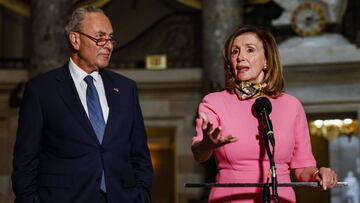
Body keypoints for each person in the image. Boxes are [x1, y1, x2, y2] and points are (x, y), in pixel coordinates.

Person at [12, 6, 153, 203]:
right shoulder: (41, 90)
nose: (108, 45)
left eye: (111, 38)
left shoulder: (126, 89)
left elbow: (140, 156)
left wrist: (142, 195)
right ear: (75, 39)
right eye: (100, 37)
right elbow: (25, 162)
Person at [191, 25, 338, 203]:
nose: (240, 57)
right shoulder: (214, 102)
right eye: (234, 52)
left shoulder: (292, 106)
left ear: (267, 60)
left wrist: (318, 174)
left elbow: (303, 168)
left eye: (250, 50)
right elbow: (199, 153)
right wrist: (207, 144)